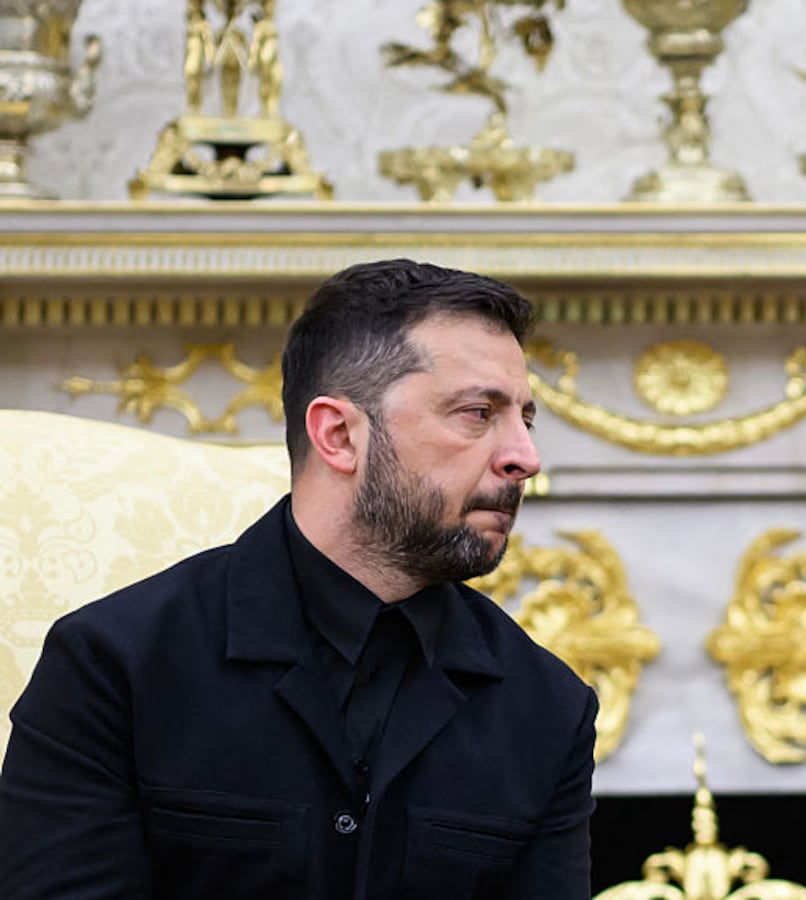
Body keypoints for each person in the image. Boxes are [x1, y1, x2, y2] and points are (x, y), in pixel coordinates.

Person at [0, 259, 598, 899]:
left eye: (525, 420)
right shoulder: (113, 667)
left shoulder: (550, 707)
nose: (525, 457)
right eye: (479, 413)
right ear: (339, 435)